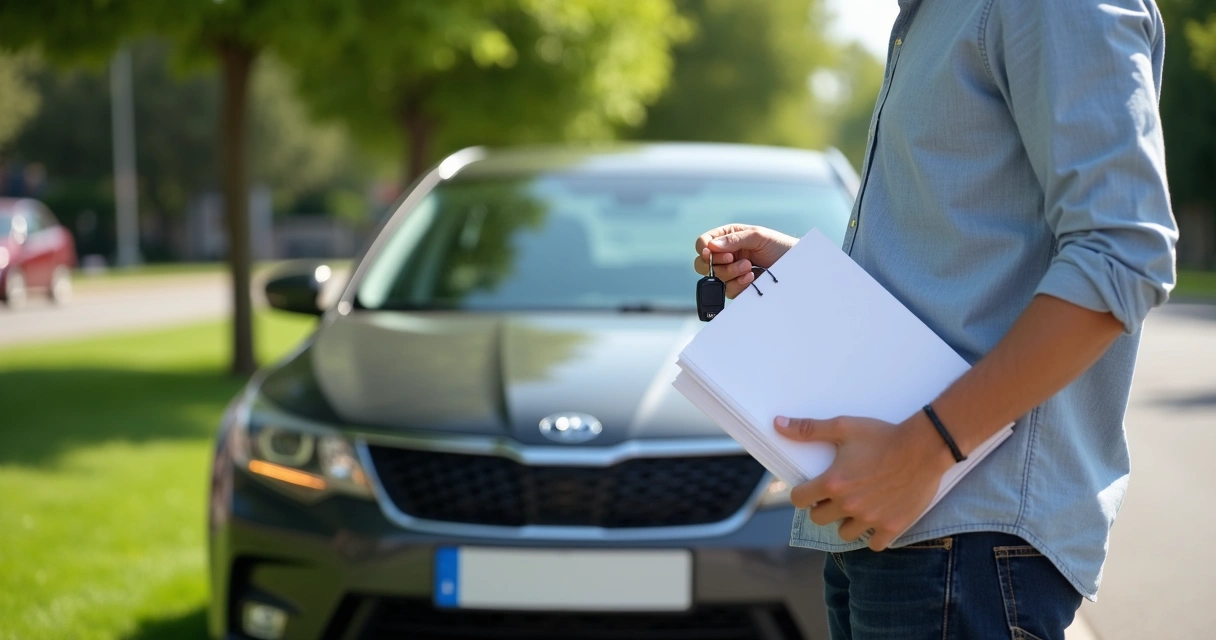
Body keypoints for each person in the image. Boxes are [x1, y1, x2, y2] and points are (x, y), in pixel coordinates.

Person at [694, 1, 1178, 638]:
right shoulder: (934, 18)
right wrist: (804, 273)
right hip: (893, 538)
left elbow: (1123, 254)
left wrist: (927, 450)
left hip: (963, 543)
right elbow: (961, 262)